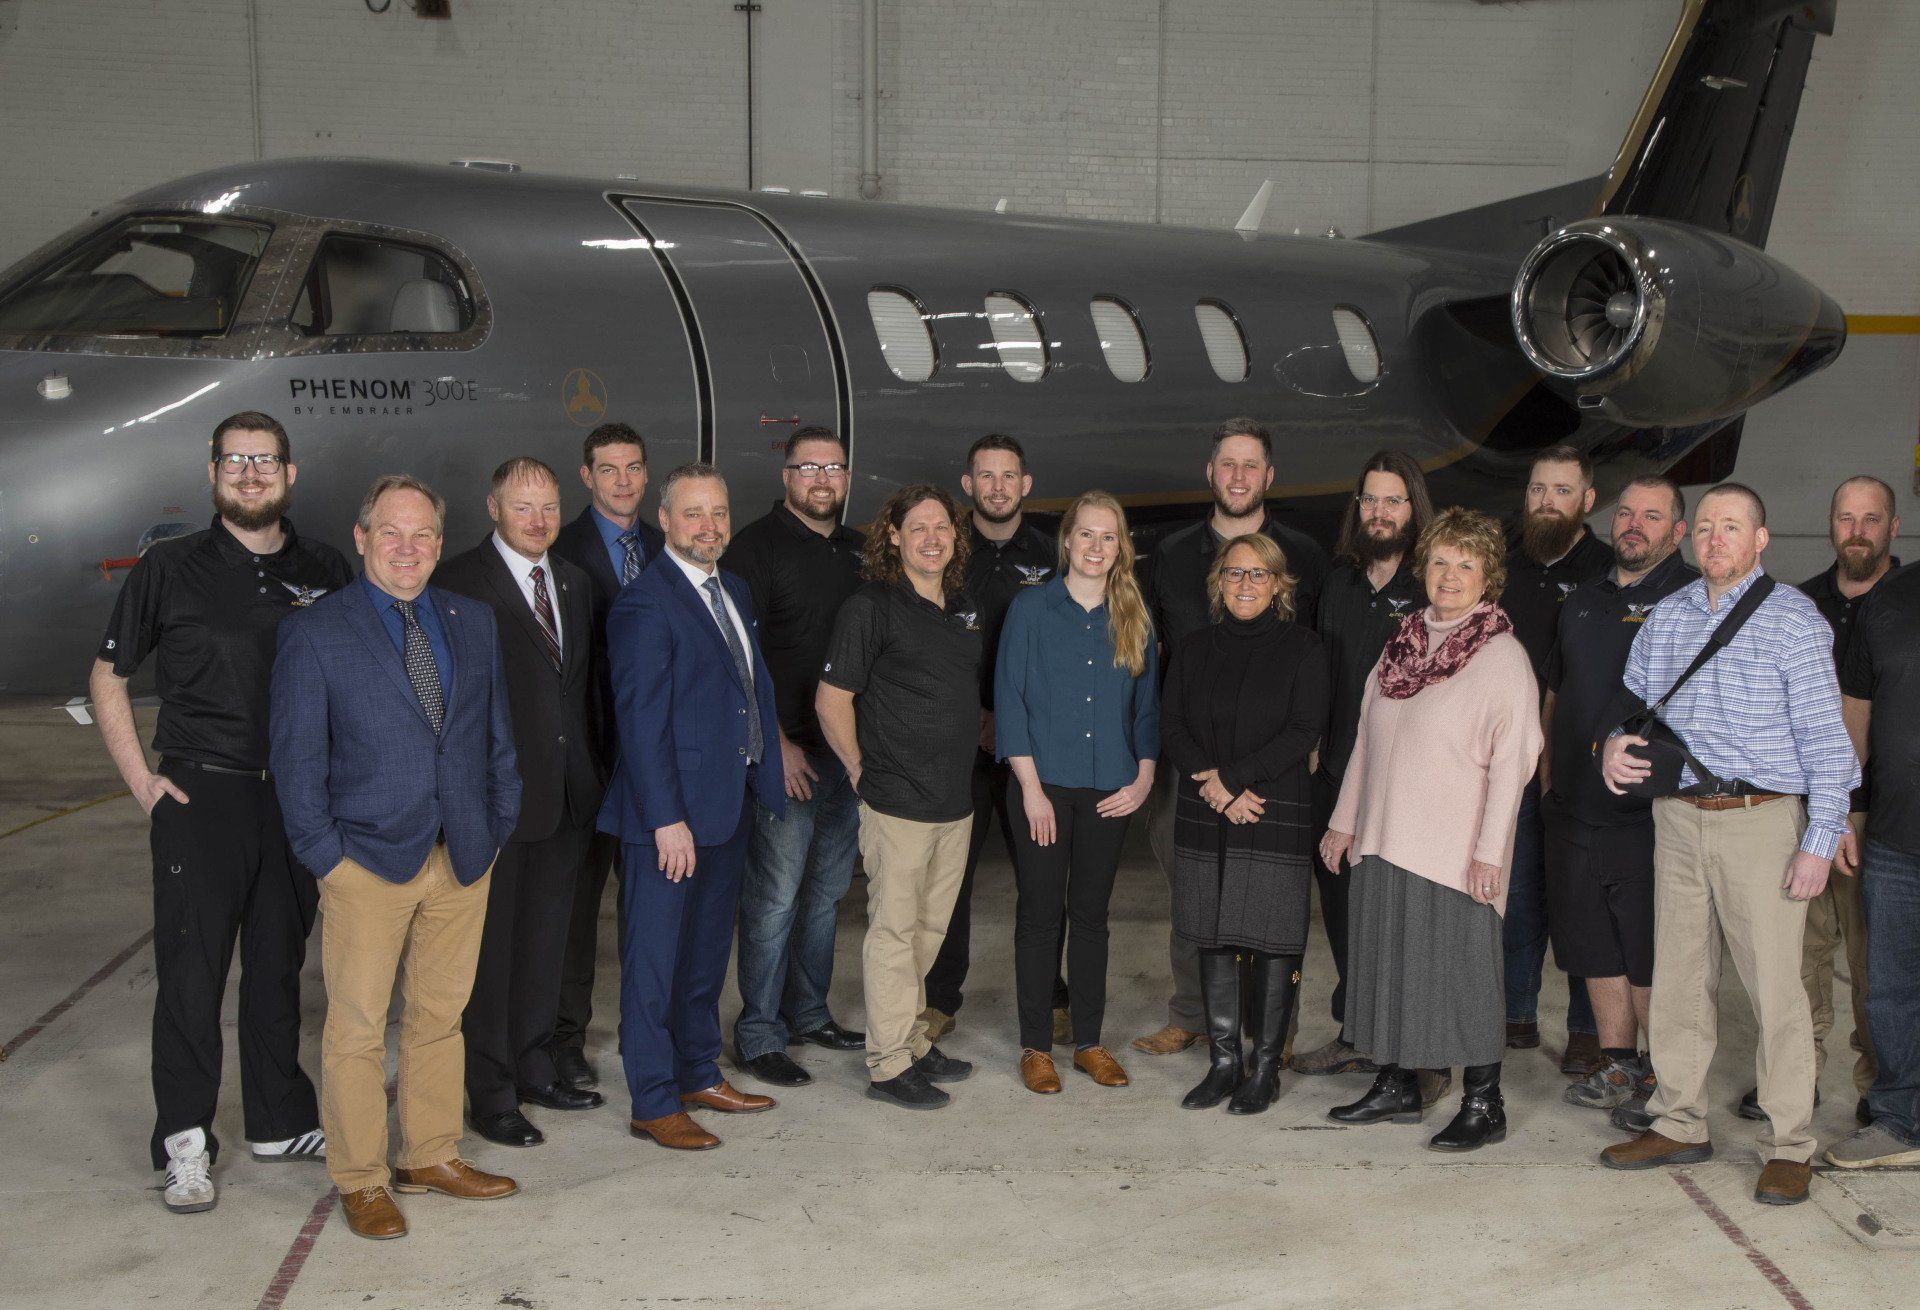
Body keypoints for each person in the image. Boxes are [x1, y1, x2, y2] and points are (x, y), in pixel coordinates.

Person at [89, 411, 348, 1214]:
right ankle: (185, 1143)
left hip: (297, 797)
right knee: (192, 977)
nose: (249, 473)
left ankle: (277, 1119)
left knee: (277, 965)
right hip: (204, 794)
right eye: (234, 460)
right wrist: (142, 783)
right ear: (212, 473)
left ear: (289, 473)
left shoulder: (326, 566)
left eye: (264, 460)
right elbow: (107, 675)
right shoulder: (171, 567)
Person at [270, 475, 522, 1240]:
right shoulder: (316, 632)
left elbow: (495, 739)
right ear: (361, 536)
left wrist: (496, 822)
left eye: (422, 536)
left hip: (462, 854)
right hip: (367, 862)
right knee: (354, 1025)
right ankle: (361, 1176)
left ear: (439, 545)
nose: (407, 549)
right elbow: (295, 761)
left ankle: (429, 1153)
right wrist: (327, 857)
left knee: (440, 1017)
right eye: (391, 533)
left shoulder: (471, 621)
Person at [1600, 483, 1859, 1207]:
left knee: (1777, 992)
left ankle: (1790, 1144)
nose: (1715, 538)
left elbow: (1827, 744)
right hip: (1679, 820)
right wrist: (1613, 747)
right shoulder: (1667, 615)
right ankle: (1679, 1120)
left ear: (1760, 540)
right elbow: (1635, 715)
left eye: (1732, 527)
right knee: (1680, 981)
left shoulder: (1794, 622)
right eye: (1707, 527)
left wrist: (1820, 836)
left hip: (1762, 822)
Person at [1321, 507, 1540, 1152]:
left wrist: (1489, 852)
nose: (1450, 576)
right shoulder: (1403, 644)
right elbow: (1367, 738)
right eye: (1441, 562)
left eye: (1465, 565)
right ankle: (1396, 1084)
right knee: (1387, 965)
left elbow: (1515, 762)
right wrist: (1342, 824)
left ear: (1487, 576)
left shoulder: (1502, 657)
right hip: (1384, 839)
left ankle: (1484, 1100)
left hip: (1453, 851)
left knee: (1463, 975)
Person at [596, 463, 784, 1151]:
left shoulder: (730, 587)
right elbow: (640, 724)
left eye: (719, 512)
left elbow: (745, 689)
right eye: (694, 514)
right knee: (653, 963)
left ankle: (698, 1071)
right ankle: (652, 1099)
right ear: (666, 522)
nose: (710, 526)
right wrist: (664, 818)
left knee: (705, 953)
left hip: (724, 807)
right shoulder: (646, 604)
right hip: (668, 821)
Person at [1135, 417, 1329, 1056]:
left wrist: (1298, 751)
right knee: (1193, 884)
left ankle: (1275, 1029)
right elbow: (1157, 655)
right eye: (1228, 465)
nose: (1238, 477)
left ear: (1269, 477)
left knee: (1271, 895)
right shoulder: (1170, 552)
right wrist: (1197, 771)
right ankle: (1191, 1014)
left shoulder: (1303, 552)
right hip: (1191, 760)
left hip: (1272, 769)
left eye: (1251, 466)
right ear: (1210, 472)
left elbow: (1316, 658)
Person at [436, 458, 607, 1148]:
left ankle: (537, 1069)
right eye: (522, 508)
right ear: (493, 508)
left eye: (547, 507)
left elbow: (581, 692)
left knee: (547, 946)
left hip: (567, 796)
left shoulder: (573, 581)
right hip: (496, 801)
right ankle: (492, 1091)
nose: (537, 521)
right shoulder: (457, 583)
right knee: (493, 956)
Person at [818, 485, 983, 1110]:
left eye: (941, 527)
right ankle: (888, 1065)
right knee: (893, 932)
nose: (932, 538)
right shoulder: (870, 608)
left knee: (929, 932)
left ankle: (914, 1041)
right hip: (897, 803)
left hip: (954, 803)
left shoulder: (964, 608)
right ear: (894, 536)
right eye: (918, 528)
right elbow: (832, 699)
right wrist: (860, 770)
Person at [996, 491, 1159, 1094]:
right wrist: (1032, 792)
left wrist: (1142, 778)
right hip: (1042, 788)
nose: (1096, 547)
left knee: (1092, 917)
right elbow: (1010, 700)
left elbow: (1147, 707)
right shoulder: (1031, 609)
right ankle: (1036, 1046)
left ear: (1121, 548)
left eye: (1108, 537)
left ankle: (1089, 1041)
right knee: (1041, 917)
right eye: (1086, 535)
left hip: (1110, 789)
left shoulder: (1133, 614)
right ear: (1066, 541)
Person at [1542, 477, 1696, 1115]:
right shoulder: (1583, 599)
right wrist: (1551, 779)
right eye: (1626, 513)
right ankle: (1620, 1065)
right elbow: (1558, 693)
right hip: (1574, 807)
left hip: (1647, 814)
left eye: (1652, 516)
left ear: (1678, 531)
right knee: (1591, 942)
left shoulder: (1692, 601)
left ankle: (1666, 1076)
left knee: (1647, 951)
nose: (1634, 524)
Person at [1162, 534, 1327, 1114]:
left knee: (1275, 937)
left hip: (1273, 804)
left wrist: (1233, 782)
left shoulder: (1304, 649)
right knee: (1212, 931)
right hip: (1207, 806)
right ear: (1217, 582)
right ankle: (1223, 1062)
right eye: (1234, 574)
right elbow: (1173, 724)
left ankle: (1264, 1068)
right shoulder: (1193, 647)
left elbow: (1305, 728)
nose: (1245, 585)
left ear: (1279, 584)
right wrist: (1218, 787)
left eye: (1259, 575)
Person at [724, 427, 868, 1086]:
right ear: (786, 476)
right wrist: (773, 744)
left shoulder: (862, 551)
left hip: (846, 755)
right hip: (788, 757)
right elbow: (736, 656)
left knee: (825, 895)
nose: (821, 479)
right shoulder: (752, 550)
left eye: (833, 467)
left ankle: (808, 1012)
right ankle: (758, 1032)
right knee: (775, 897)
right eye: (807, 467)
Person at [1760, 476, 1897, 1126]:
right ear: (1831, 525)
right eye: (1847, 517)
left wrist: (1847, 808)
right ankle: (1800, 1077)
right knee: (1801, 954)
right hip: (1804, 807)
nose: (1858, 530)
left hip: (1882, 817)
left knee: (1876, 963)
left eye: (1871, 518)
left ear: (1893, 527)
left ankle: (1878, 1086)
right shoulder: (1799, 603)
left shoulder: (1908, 603)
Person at [922, 433, 1067, 1045]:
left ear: (1026, 484)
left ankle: (1052, 996)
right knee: (949, 876)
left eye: (1009, 476)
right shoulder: (946, 552)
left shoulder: (1054, 552)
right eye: (986, 476)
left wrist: (1020, 723)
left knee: (1043, 875)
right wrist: (976, 717)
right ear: (968, 484)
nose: (999, 487)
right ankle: (938, 998)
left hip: (1034, 744)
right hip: (963, 742)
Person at [1292, 450, 1429, 1082]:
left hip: (1406, 787)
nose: (1379, 512)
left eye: (1392, 500)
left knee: (1403, 919)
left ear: (1413, 508)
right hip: (1335, 776)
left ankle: (1415, 1050)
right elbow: (1317, 667)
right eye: (1369, 499)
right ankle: (1356, 1031)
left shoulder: (1433, 585)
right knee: (1344, 912)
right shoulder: (1338, 579)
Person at [547, 422, 664, 1091]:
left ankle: (645, 1032)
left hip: (653, 768)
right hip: (588, 762)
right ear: (586, 477)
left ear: (647, 475)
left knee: (648, 911)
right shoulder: (559, 552)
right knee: (574, 914)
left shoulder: (666, 546)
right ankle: (565, 1040)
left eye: (633, 467)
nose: (622, 481)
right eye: (607, 469)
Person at [1500, 445, 1609, 1071]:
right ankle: (1517, 1011)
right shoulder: (1504, 568)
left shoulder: (1605, 569)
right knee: (1517, 895)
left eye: (1561, 491)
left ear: (1587, 500)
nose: (1546, 501)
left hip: (1580, 763)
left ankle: (1586, 1028)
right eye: (1538, 489)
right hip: (1512, 759)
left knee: (1579, 899)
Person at [1826, 553, 1920, 1168]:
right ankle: (1897, 1119)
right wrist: (1840, 808)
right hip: (1895, 837)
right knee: (1890, 989)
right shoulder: (1891, 598)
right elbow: (1853, 714)